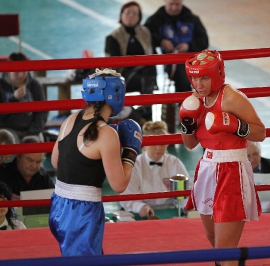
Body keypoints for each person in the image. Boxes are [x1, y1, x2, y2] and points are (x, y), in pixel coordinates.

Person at [180, 50, 266, 266]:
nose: (199, 84)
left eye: (205, 78)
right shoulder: (193, 102)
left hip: (232, 170)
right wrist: (187, 123)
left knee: (225, 249)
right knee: (214, 243)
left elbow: (261, 133)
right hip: (207, 168)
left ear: (217, 74)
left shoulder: (231, 98)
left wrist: (237, 126)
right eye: (195, 78)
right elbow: (190, 144)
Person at [48, 68, 142, 257]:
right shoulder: (105, 133)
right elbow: (119, 184)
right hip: (82, 212)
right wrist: (131, 151)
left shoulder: (70, 119)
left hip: (58, 205)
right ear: (116, 94)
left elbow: (55, 162)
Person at [120, 120, 191, 218]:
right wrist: (141, 207)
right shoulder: (135, 164)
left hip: (171, 210)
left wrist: (185, 206)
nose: (158, 148)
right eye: (154, 143)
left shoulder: (175, 162)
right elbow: (127, 195)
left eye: (162, 144)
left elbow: (187, 190)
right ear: (145, 144)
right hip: (142, 213)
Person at [105, 1, 157, 125]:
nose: (130, 16)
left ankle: (144, 113)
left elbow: (153, 54)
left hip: (144, 72)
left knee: (149, 72)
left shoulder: (145, 33)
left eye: (134, 14)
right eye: (127, 12)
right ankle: (145, 115)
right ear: (121, 15)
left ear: (139, 18)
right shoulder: (113, 37)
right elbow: (115, 64)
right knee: (146, 78)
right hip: (122, 75)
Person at [144, 0, 209, 93]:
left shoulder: (192, 19)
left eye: (177, 4)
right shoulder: (156, 19)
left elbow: (204, 41)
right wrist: (161, 41)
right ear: (165, 2)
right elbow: (145, 35)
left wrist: (188, 46)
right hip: (171, 62)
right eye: (171, 4)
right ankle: (185, 103)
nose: (174, 8)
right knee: (182, 77)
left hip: (193, 61)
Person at [0, 52, 48, 143]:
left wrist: (31, 133)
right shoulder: (1, 86)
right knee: (8, 148)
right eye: (17, 71)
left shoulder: (35, 86)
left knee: (35, 148)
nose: (21, 75)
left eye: (24, 70)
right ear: (9, 69)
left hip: (31, 130)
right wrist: (13, 100)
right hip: (7, 129)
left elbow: (42, 113)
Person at [0, 135, 54, 200]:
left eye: (38, 161)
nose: (34, 166)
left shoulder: (44, 178)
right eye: (30, 160)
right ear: (18, 156)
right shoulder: (3, 173)